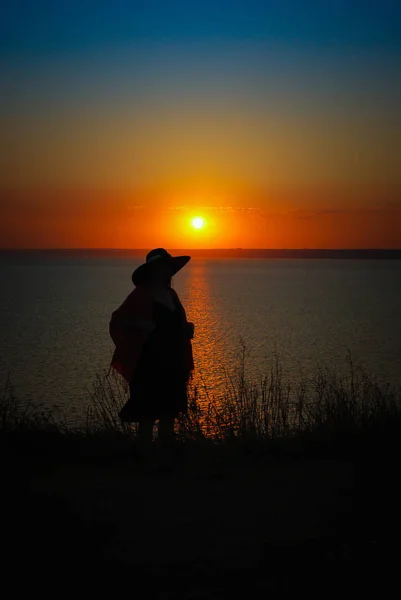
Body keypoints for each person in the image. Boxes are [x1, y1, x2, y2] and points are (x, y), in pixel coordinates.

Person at [109, 248, 194, 449]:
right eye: (161, 267)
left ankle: (166, 465)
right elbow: (118, 321)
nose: (165, 271)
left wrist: (186, 329)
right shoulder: (140, 294)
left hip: (173, 363)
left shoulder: (171, 294)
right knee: (146, 419)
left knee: (168, 417)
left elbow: (175, 325)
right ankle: (143, 464)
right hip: (148, 364)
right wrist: (140, 325)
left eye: (167, 267)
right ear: (153, 270)